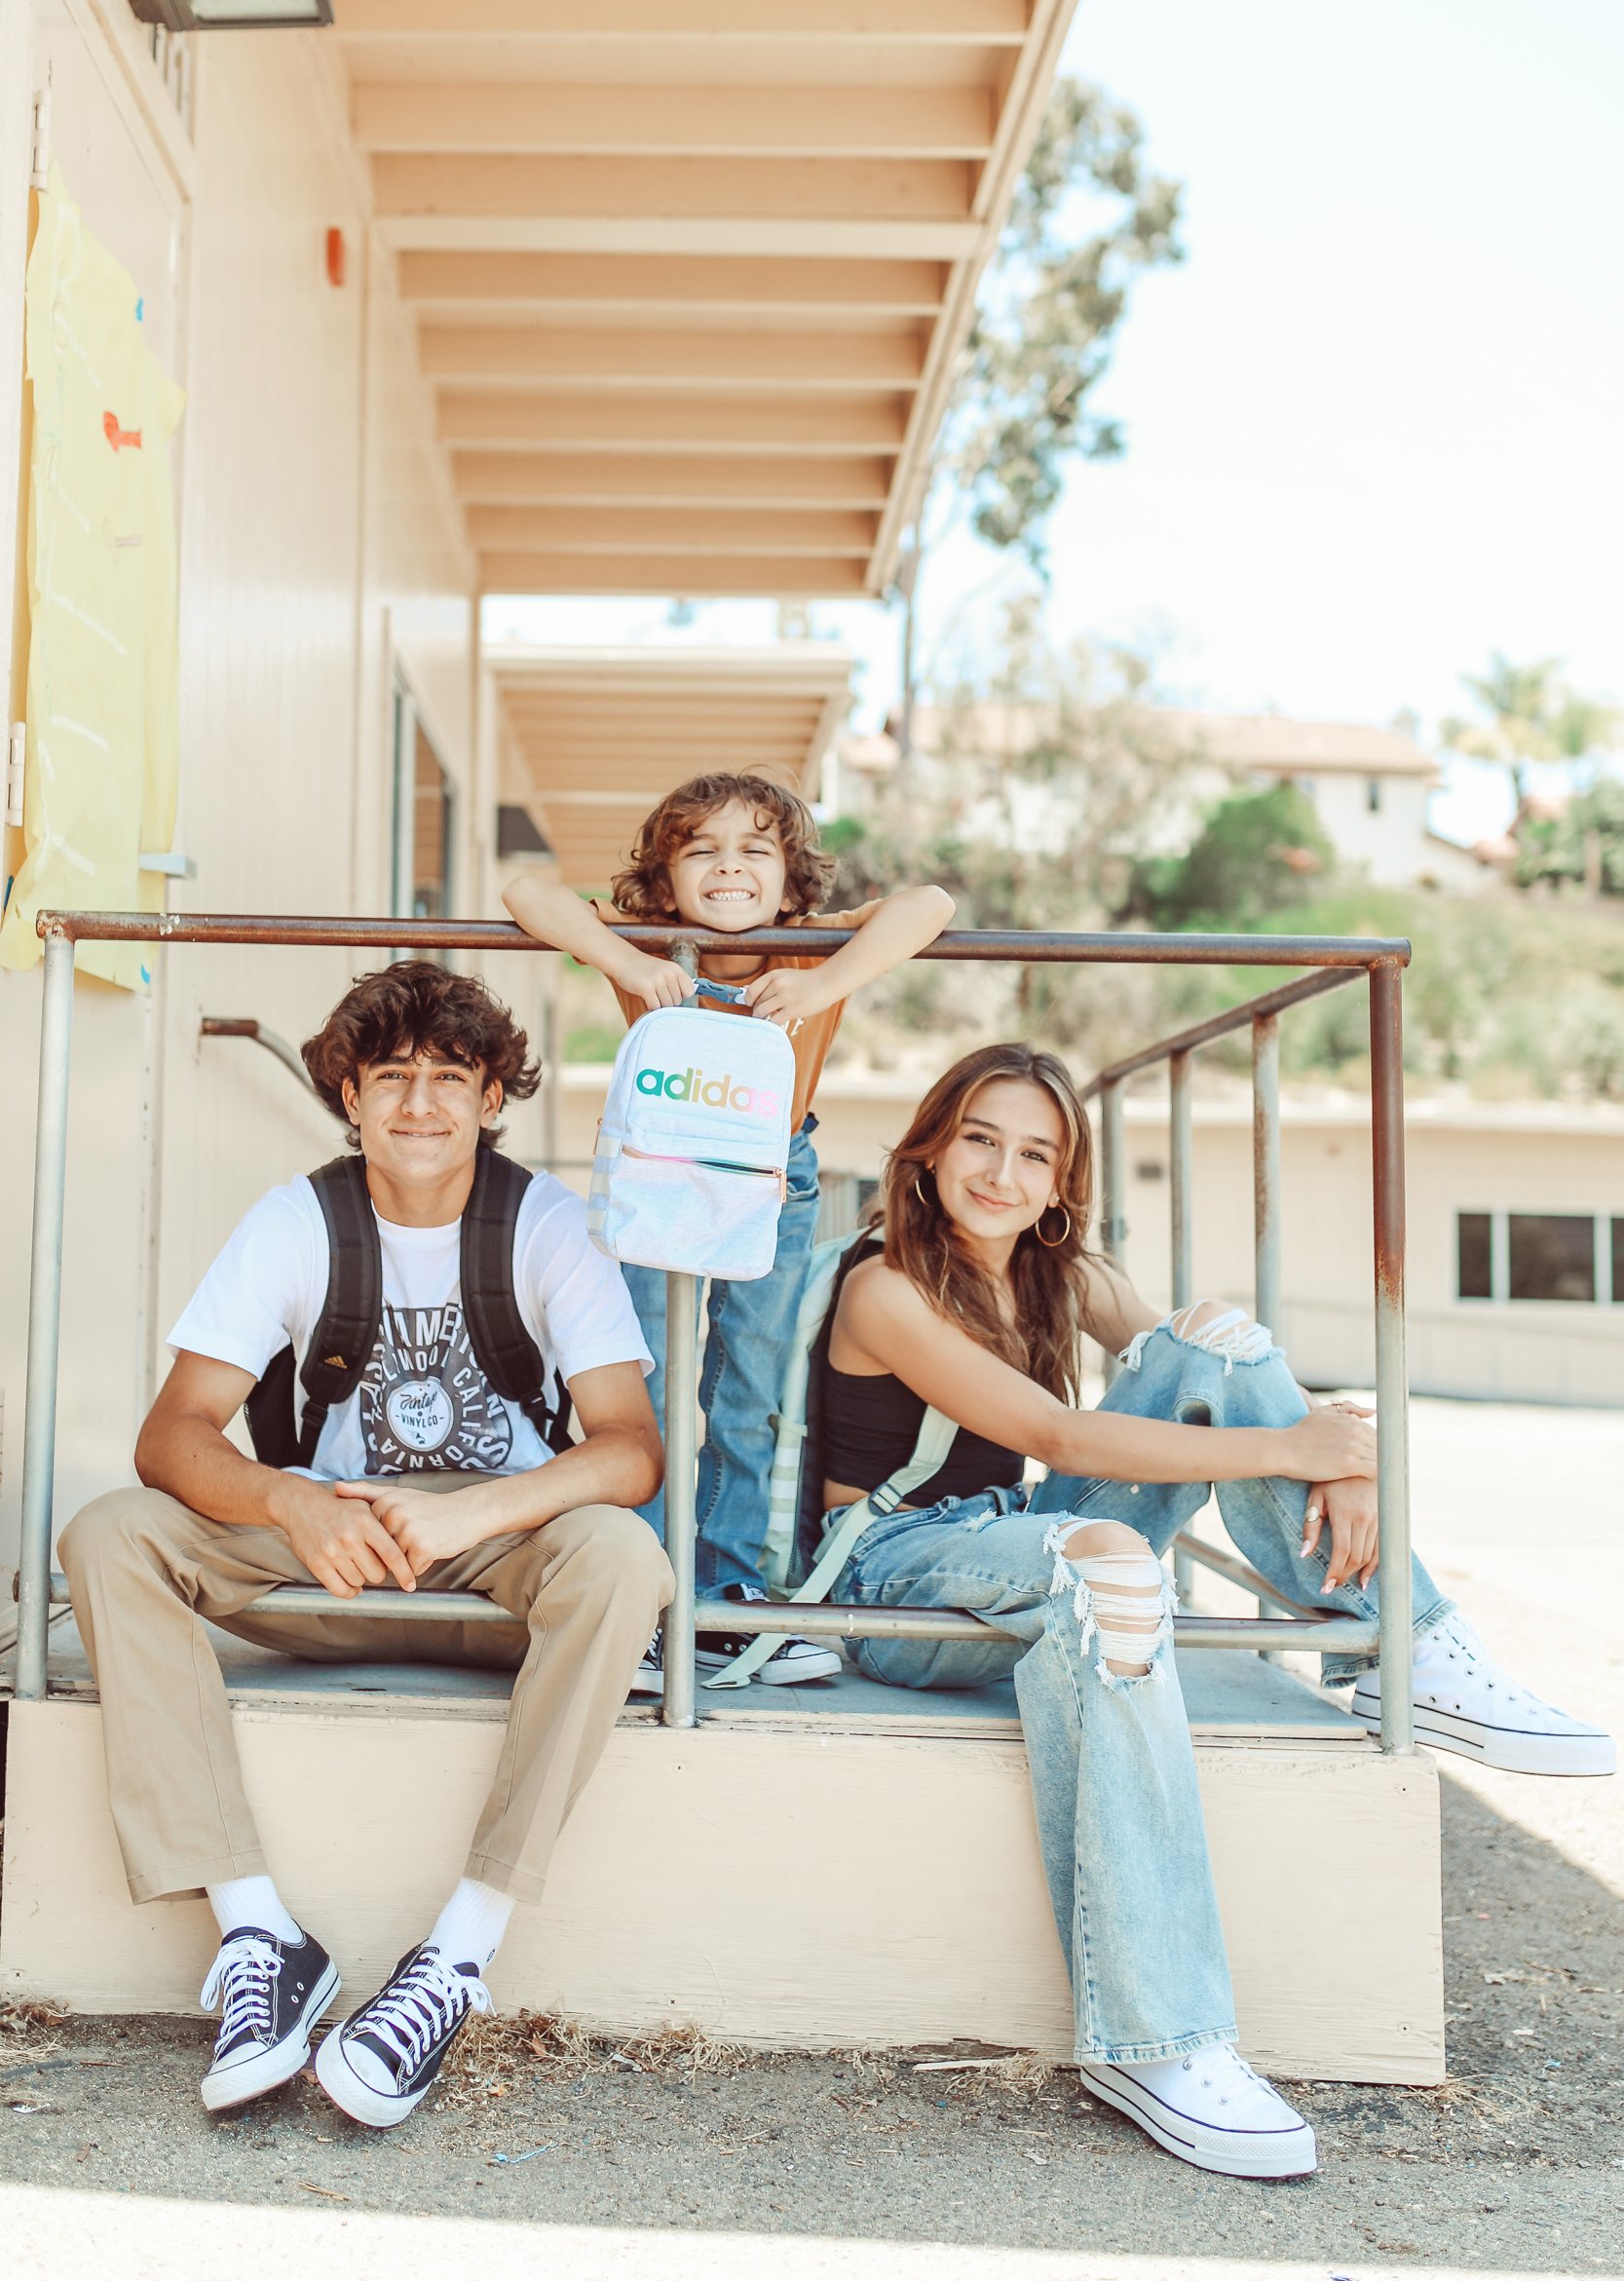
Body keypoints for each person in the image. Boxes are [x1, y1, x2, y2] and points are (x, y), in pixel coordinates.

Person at [814, 1044, 1614, 2179]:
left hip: (1013, 1540)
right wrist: (1296, 1445)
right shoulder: (883, 1284)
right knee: (1108, 1567)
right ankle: (1156, 2041)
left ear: (1061, 1181)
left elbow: (1203, 1370)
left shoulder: (1051, 1268)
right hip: (896, 1571)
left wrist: (1329, 1450)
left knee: (1220, 1338)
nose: (1001, 1171)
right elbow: (1061, 1440)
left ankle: (1410, 1645)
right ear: (930, 1145)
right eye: (979, 1138)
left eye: (1034, 1152)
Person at [59, 963, 672, 2130]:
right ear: (348, 1094)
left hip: (491, 1557)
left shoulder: (545, 1223)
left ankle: (451, 1960)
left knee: (620, 1555)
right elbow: (170, 1435)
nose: (420, 1105)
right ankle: (259, 1934)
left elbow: (628, 1449)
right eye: (389, 1077)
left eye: (451, 1077)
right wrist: (294, 1505)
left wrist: (474, 1510)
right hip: (325, 1547)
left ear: (495, 1096)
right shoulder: (297, 1219)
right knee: (111, 1534)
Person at [505, 771, 953, 1692]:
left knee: (749, 1388)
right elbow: (525, 893)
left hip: (768, 1178)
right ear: (666, 881)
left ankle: (725, 1594)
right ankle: (635, 1593)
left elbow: (930, 902)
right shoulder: (657, 948)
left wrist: (824, 979)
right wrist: (625, 963)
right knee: (645, 1382)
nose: (728, 867)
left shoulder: (814, 950)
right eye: (700, 850)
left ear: (790, 881)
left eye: (755, 849)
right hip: (656, 1175)